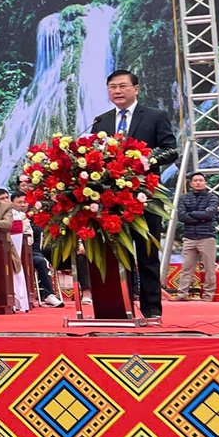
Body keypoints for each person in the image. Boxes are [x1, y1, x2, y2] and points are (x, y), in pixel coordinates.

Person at [89, 69, 179, 317]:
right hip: (111, 199)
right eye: (112, 87)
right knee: (118, 254)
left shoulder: (155, 116)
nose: (117, 91)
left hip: (145, 197)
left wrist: (148, 159)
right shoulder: (101, 121)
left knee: (147, 254)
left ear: (136, 89)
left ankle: (152, 311)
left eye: (122, 86)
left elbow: (171, 150)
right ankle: (121, 308)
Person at [175, 172, 219, 301]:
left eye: (201, 180)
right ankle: (182, 294)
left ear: (205, 183)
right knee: (186, 268)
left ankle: (208, 295)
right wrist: (201, 217)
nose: (198, 182)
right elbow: (182, 217)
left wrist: (192, 214)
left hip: (206, 237)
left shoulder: (212, 197)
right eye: (195, 180)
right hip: (189, 238)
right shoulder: (184, 198)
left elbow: (210, 214)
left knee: (209, 268)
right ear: (191, 184)